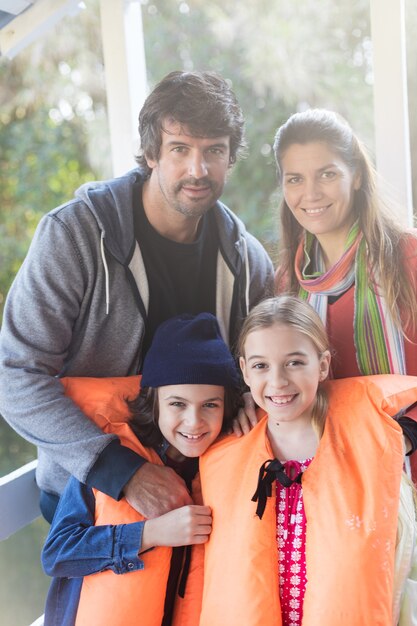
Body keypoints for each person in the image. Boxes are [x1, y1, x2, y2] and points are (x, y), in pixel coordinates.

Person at [0, 70, 273, 522]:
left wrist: (250, 396)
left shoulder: (246, 260)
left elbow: (264, 367)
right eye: (180, 149)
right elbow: (15, 374)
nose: (198, 170)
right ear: (151, 153)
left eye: (214, 152)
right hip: (92, 501)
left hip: (204, 500)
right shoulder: (74, 236)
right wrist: (123, 472)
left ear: (230, 158)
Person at [198, 296, 417, 626]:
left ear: (323, 365)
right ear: (244, 370)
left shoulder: (364, 437)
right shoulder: (229, 448)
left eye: (295, 362)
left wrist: (405, 435)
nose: (278, 381)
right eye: (261, 365)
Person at [42, 312, 242, 626]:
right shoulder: (112, 460)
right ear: (154, 401)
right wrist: (149, 534)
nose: (194, 421)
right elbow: (57, 554)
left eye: (210, 405)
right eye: (177, 403)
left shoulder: (233, 460)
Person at [272, 108, 417, 478]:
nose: (310, 193)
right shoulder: (287, 283)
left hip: (408, 470)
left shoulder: (407, 258)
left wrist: (408, 434)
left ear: (355, 176)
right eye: (295, 179)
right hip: (336, 482)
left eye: (327, 173)